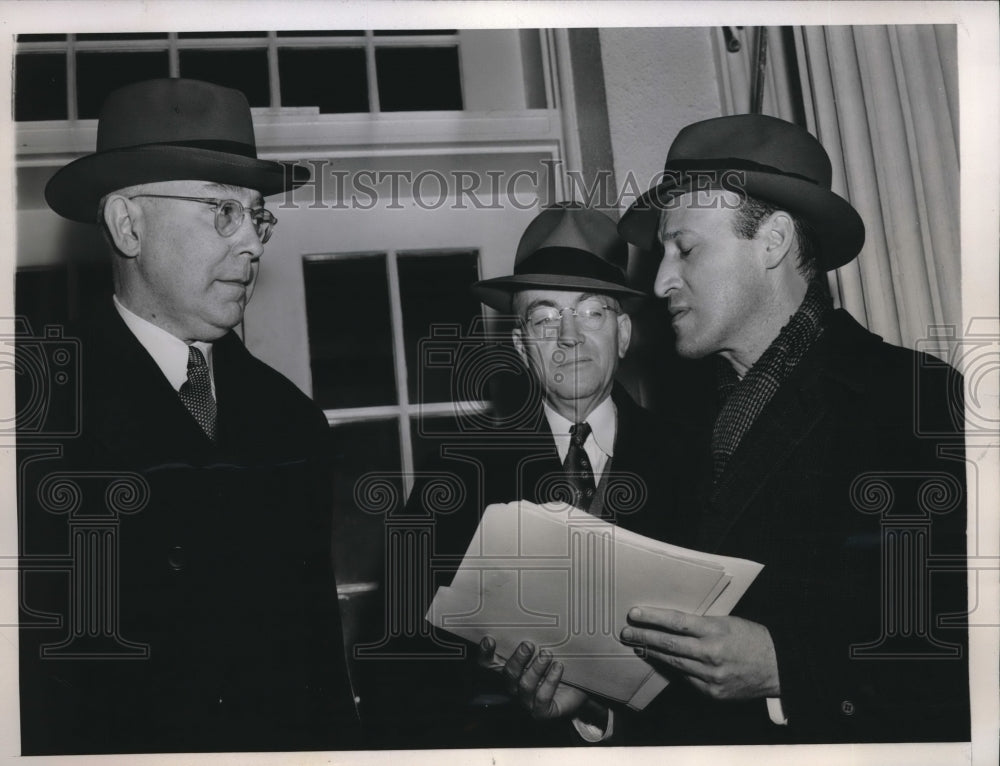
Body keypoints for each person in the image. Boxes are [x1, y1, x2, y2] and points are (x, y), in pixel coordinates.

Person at [506, 114, 969, 744]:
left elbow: (962, 646)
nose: (661, 279)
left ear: (774, 241)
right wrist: (593, 697)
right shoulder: (682, 428)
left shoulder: (911, 400)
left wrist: (788, 668)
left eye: (685, 249)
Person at [17, 78, 361, 754]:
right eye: (221, 212)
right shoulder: (33, 418)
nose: (255, 246)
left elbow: (320, 668)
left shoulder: (292, 422)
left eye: (257, 216)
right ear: (128, 224)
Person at [365, 204, 696, 748]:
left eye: (592, 312)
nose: (568, 336)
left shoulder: (695, 459)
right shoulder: (453, 477)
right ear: (520, 346)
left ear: (625, 333)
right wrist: (491, 684)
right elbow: (398, 668)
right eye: (544, 318)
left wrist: (596, 706)